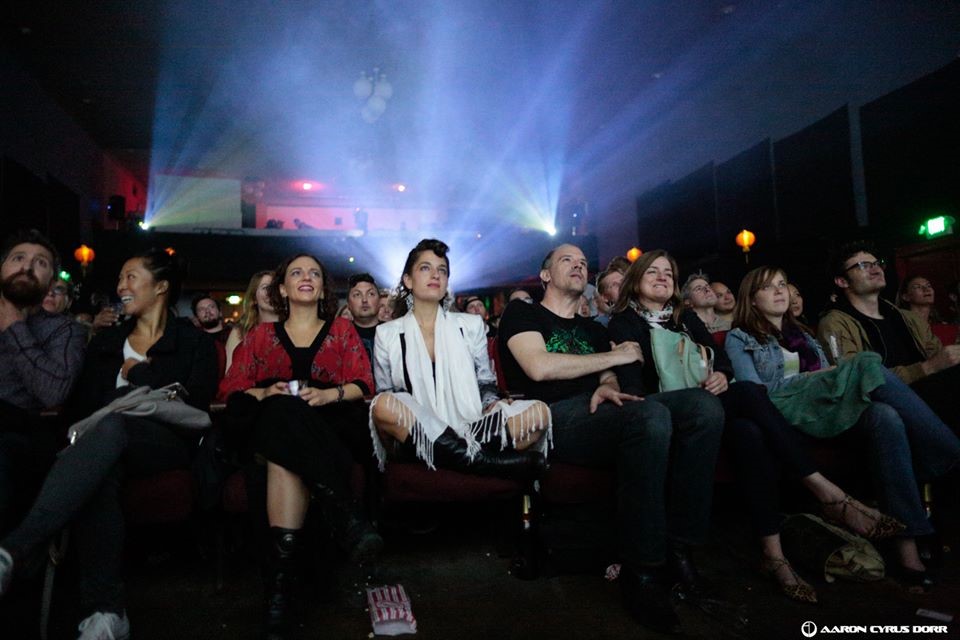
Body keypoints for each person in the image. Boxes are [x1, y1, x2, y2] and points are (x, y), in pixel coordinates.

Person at [610, 251, 901, 604]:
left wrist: (721, 376)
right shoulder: (623, 322)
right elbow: (631, 385)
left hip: (709, 404)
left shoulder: (685, 318)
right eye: (651, 272)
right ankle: (826, 493)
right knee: (747, 412)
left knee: (747, 418)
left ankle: (773, 553)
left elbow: (719, 364)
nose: (661, 277)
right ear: (635, 280)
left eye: (668, 272)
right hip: (665, 408)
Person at [498, 243, 724, 633]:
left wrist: (607, 382)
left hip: (598, 410)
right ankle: (643, 573)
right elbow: (538, 367)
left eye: (584, 262)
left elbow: (610, 372)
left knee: (704, 409)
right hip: (550, 417)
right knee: (649, 415)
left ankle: (680, 546)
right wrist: (612, 362)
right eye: (566, 260)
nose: (578, 265)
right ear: (546, 275)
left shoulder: (592, 328)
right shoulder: (524, 312)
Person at [0, 247, 218, 638]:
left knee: (112, 428)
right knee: (99, 471)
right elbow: (78, 411)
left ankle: (16, 550)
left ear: (161, 286)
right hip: (103, 445)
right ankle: (106, 614)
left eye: (131, 277)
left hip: (165, 443)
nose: (121, 287)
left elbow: (196, 400)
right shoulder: (104, 342)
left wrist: (136, 376)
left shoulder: (192, 341)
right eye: (119, 279)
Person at [727, 265, 960, 589]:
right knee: (868, 364)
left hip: (822, 406)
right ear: (752, 300)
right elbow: (754, 392)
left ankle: (908, 544)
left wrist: (822, 378)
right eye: (769, 287)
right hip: (782, 410)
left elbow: (828, 375)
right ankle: (950, 452)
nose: (780, 291)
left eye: (783, 283)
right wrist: (806, 378)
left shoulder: (806, 336)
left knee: (884, 416)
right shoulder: (740, 337)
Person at [219, 253, 381, 639]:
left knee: (280, 437)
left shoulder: (342, 332)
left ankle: (279, 595)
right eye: (296, 272)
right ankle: (345, 515)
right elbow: (230, 390)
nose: (306, 277)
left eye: (314, 273)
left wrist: (329, 396)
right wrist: (264, 390)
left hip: (330, 426)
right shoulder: (259, 336)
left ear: (323, 287)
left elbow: (364, 384)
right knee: (278, 413)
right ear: (282, 288)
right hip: (276, 429)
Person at [370, 239, 548, 478]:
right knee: (382, 405)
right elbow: (388, 392)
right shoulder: (387, 333)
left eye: (442, 270)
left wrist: (492, 404)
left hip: (471, 426)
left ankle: (457, 455)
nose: (435, 274)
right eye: (425, 268)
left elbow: (485, 382)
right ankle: (483, 460)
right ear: (408, 280)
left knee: (540, 413)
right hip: (417, 433)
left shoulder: (471, 325)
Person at [817, 242, 960, 433]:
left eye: (877, 263)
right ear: (842, 281)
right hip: (889, 400)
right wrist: (927, 368)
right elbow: (857, 381)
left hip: (932, 388)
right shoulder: (834, 323)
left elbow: (937, 356)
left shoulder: (908, 318)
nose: (875, 269)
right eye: (862, 266)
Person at [0, 230, 86, 534]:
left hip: (21, 437)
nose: (26, 267)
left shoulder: (64, 330)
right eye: (18, 259)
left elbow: (53, 392)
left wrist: (13, 324)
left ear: (50, 282)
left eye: (40, 263)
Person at [225, 270, 279, 374]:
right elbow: (229, 373)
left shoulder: (294, 328)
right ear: (254, 298)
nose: (272, 292)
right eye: (266, 288)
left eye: (276, 287)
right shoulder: (240, 332)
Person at [346, 273, 381, 364]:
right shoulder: (341, 337)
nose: (364, 300)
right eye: (357, 295)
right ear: (348, 305)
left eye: (371, 294)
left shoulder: (393, 333)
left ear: (380, 301)